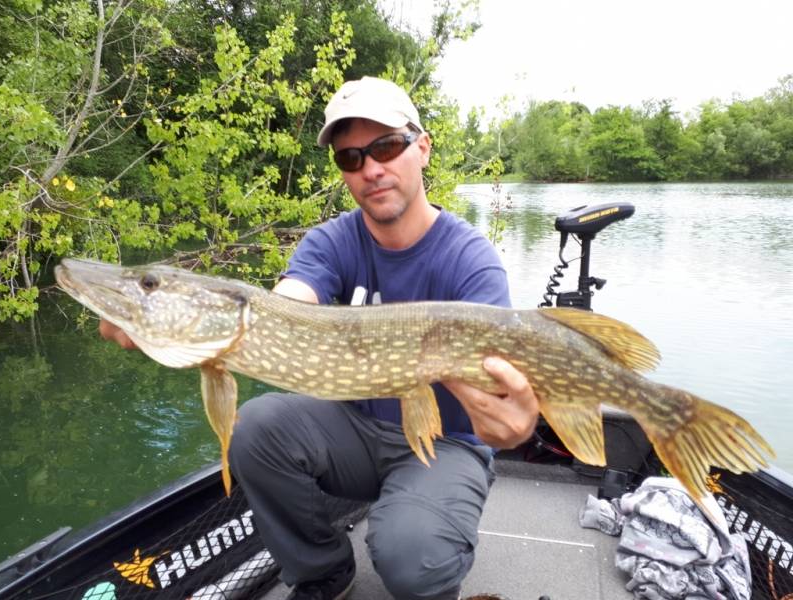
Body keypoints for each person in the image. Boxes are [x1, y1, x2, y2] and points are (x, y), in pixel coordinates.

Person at [100, 76, 540, 600]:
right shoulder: (331, 240)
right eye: (350, 158)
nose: (371, 169)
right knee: (255, 428)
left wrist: (519, 425)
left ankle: (427, 544)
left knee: (411, 557)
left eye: (386, 147)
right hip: (354, 429)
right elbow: (287, 302)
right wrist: (171, 325)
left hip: (445, 443)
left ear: (422, 148)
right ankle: (324, 571)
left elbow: (505, 398)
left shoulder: (471, 261)